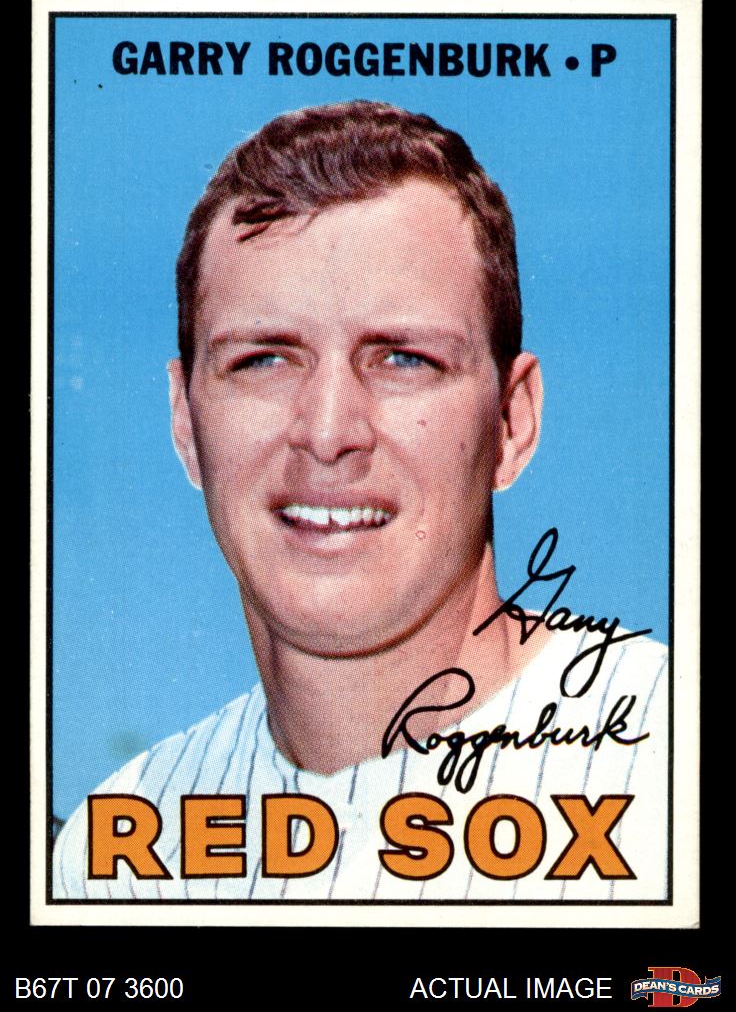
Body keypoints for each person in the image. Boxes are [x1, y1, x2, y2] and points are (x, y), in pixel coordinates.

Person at [53, 101, 668, 902]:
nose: (328, 432)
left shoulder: (670, 765)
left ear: (512, 423)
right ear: (184, 422)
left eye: (404, 359)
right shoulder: (121, 851)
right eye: (263, 359)